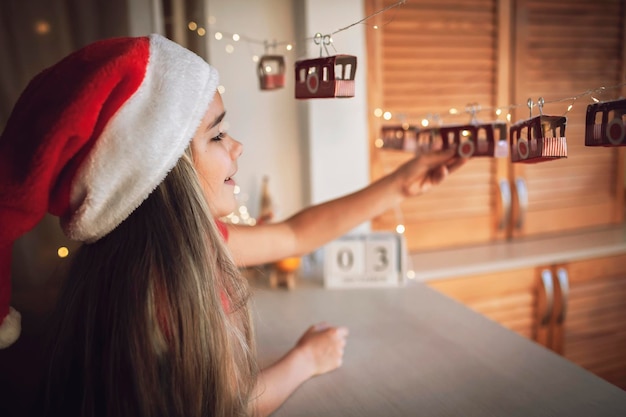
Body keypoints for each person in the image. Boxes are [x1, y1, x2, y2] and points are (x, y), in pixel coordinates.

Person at [0, 34, 465, 417]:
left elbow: (295, 234)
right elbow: (229, 407)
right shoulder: (163, 287)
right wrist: (306, 360)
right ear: (163, 169)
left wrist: (404, 182)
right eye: (218, 135)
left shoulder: (182, 247)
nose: (237, 146)